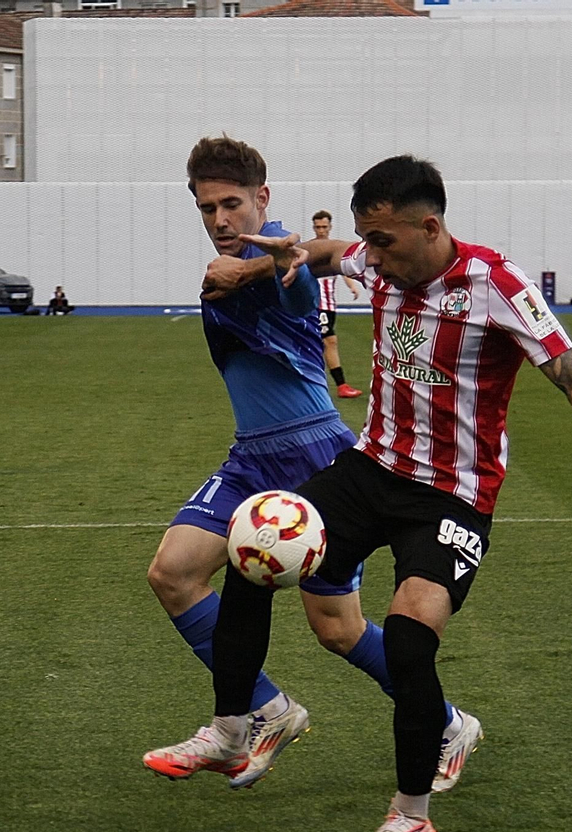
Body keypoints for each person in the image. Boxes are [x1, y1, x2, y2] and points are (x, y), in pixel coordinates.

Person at [228, 155, 572, 832]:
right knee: (250, 549)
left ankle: (411, 811)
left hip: (452, 495)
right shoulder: (377, 259)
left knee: (409, 639)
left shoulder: (495, 284)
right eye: (365, 239)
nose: (369, 255)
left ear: (430, 226)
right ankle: (242, 719)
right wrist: (271, 263)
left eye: (382, 240)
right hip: (370, 468)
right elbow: (325, 253)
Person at [142, 137, 481, 792]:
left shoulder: (275, 255)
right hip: (251, 457)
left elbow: (299, 285)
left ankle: (446, 723)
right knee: (172, 572)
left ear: (262, 199)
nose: (220, 219)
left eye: (232, 204)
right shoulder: (230, 262)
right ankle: (264, 711)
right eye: (207, 207)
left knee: (338, 629)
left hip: (312, 457)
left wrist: (272, 267)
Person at [311, 210, 363, 399]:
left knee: (325, 342)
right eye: (318, 227)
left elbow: (342, 270)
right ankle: (340, 385)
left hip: (329, 305)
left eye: (324, 227)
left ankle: (322, 384)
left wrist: (352, 286)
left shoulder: (333, 248)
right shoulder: (311, 250)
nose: (321, 230)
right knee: (328, 341)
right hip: (316, 306)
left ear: (330, 227)